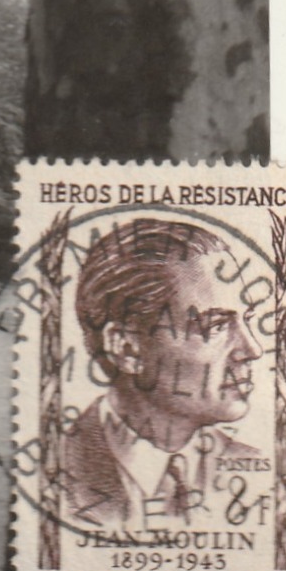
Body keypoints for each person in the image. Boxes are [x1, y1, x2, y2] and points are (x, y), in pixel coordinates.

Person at [61, 218, 265, 528]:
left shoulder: (257, 468)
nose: (252, 349)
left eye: (247, 321)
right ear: (127, 348)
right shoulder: (54, 471)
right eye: (216, 326)